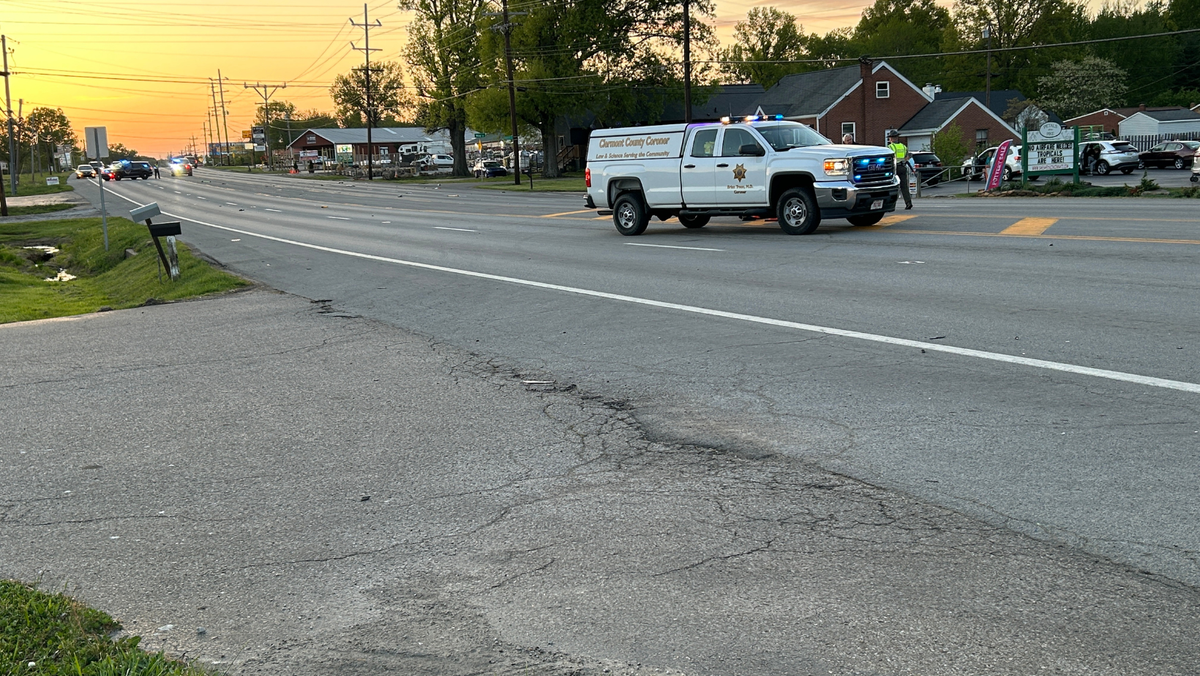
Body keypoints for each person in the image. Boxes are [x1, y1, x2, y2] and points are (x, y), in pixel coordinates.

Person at [887, 130, 913, 210]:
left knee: (891, 186)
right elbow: (907, 156)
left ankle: (890, 204)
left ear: (891, 138)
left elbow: (889, 158)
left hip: (894, 168)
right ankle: (908, 202)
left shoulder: (890, 147)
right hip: (903, 167)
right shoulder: (903, 146)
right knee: (904, 186)